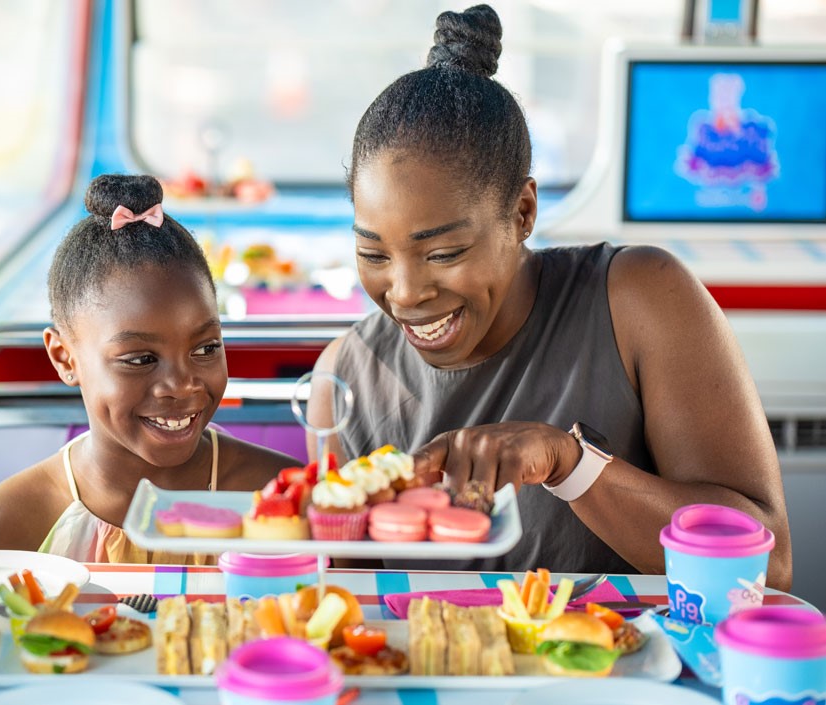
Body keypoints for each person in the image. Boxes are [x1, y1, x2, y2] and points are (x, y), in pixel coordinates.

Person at [307, 4, 792, 588]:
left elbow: (770, 570)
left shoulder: (638, 299)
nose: (406, 294)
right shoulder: (346, 381)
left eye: (443, 254)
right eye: (375, 255)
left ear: (523, 213)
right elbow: (351, 610)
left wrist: (572, 465)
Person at [0, 174, 299, 563]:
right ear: (64, 357)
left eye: (206, 348)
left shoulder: (276, 498)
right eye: (141, 360)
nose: (181, 385)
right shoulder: (16, 517)